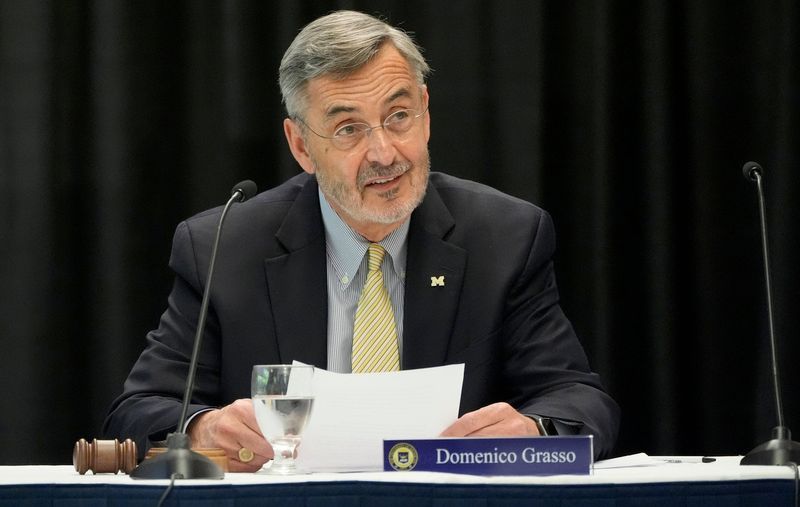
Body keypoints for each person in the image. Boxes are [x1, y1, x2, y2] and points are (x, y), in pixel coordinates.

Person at [103, 10, 619, 472]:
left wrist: (534, 429)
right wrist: (201, 428)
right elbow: (139, 411)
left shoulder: (503, 238)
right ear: (301, 146)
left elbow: (578, 400)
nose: (384, 153)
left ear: (426, 112)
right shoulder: (224, 248)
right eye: (349, 128)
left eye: (399, 116)